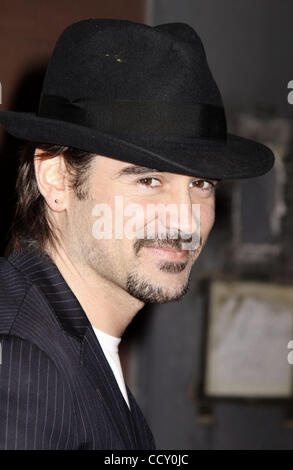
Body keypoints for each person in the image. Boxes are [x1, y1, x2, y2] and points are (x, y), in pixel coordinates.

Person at [0, 18, 274, 450]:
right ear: (56, 180)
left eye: (201, 184)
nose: (185, 222)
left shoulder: (71, 342)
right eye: (149, 181)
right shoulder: (22, 362)